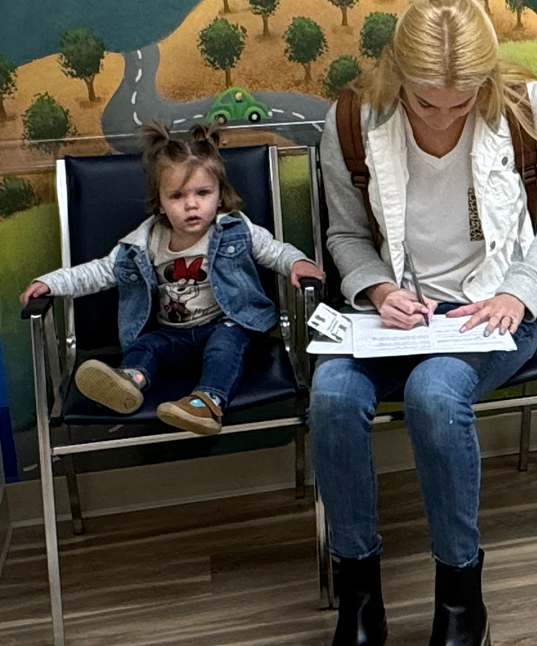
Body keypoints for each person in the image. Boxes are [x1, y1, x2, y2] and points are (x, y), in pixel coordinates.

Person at [311, 0, 537, 646]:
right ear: (395, 76)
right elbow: (344, 235)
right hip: (394, 313)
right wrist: (373, 289)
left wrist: (522, 291)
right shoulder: (350, 119)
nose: (442, 119)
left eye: (460, 106)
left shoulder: (526, 106)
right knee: (332, 396)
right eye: (426, 105)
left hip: (494, 310)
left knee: (437, 393)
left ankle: (462, 605)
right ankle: (360, 601)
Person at [20, 121, 323, 435]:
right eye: (177, 196)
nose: (191, 204)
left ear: (220, 196)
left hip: (227, 325)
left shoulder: (235, 229)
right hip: (175, 334)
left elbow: (273, 250)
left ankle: (206, 402)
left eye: (203, 193)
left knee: (224, 345)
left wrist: (296, 262)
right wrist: (52, 282)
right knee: (147, 345)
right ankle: (130, 381)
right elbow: (98, 271)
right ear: (160, 203)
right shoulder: (144, 243)